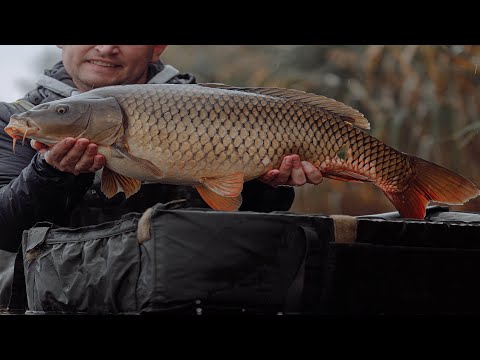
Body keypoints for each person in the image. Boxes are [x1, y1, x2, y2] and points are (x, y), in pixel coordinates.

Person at [0, 45, 323, 308]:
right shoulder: (17, 117)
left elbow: (249, 214)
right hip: (58, 300)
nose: (106, 48)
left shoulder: (213, 105)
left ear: (157, 48)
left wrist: (269, 186)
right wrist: (50, 173)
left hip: (193, 296)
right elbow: (6, 230)